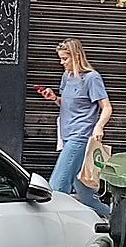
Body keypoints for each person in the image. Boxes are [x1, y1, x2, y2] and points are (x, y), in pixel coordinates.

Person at [38, 37, 112, 216]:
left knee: (56, 187)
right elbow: (67, 103)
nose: (61, 62)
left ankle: (55, 225)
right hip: (66, 135)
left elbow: (107, 107)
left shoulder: (92, 78)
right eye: (61, 58)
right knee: (86, 195)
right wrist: (54, 98)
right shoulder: (67, 77)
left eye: (65, 58)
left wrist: (99, 126)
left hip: (80, 137)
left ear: (76, 56)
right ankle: (117, 220)